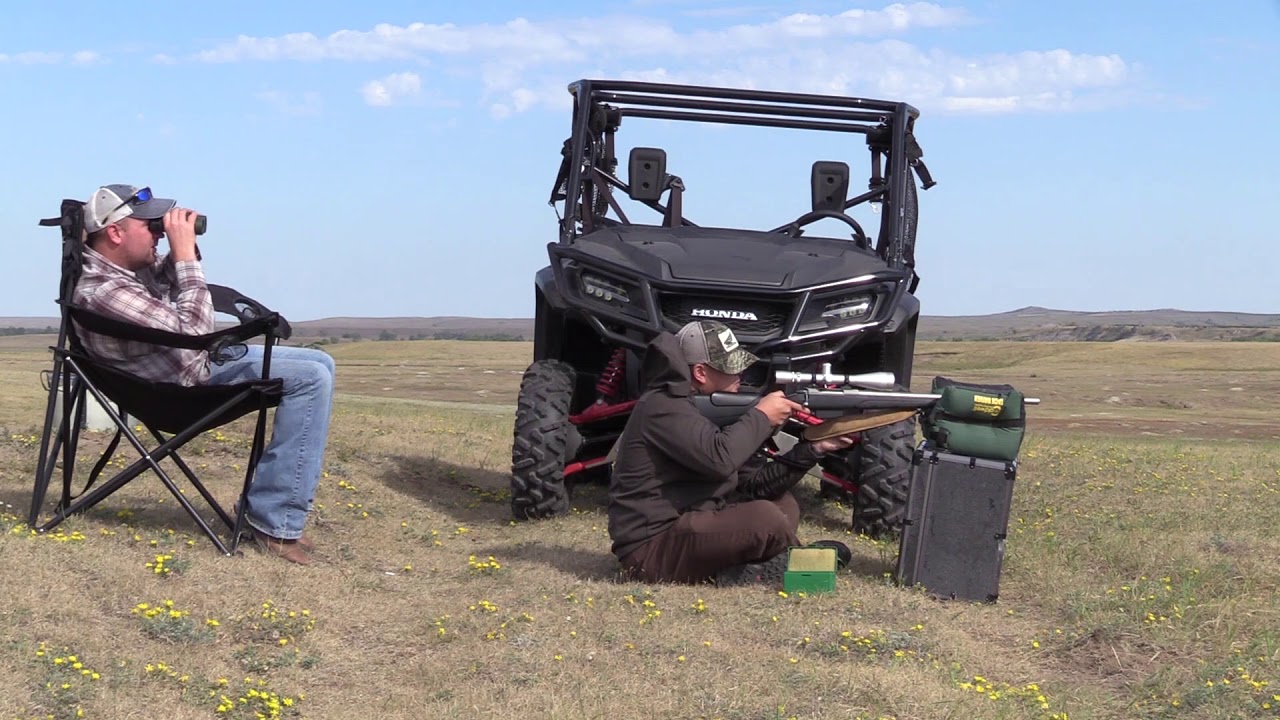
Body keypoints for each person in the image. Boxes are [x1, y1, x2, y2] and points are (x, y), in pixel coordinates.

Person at [71, 184, 334, 566]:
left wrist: (183, 250)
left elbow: (165, 290)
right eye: (151, 227)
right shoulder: (104, 291)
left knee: (321, 362)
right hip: (175, 393)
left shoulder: (122, 271)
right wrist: (184, 258)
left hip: (186, 369)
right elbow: (195, 333)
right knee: (312, 379)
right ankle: (273, 522)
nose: (159, 234)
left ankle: (267, 509)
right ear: (115, 232)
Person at [608, 319, 857, 587]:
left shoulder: (692, 407)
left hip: (687, 525)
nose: (741, 376)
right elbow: (721, 460)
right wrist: (761, 417)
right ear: (701, 373)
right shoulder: (663, 406)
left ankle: (752, 567)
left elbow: (755, 484)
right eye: (730, 368)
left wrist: (815, 448)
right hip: (651, 549)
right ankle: (794, 564)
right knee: (766, 519)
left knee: (783, 505)